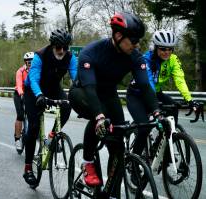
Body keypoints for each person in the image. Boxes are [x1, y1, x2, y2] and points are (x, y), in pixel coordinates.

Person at [68, 12, 160, 198]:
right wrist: (99, 117)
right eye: (133, 40)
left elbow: (144, 86)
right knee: (99, 118)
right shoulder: (91, 52)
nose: (137, 45)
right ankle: (87, 162)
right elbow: (90, 89)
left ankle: (112, 191)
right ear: (118, 36)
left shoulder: (134, 56)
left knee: (118, 146)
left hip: (109, 94)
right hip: (84, 92)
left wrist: (157, 113)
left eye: (138, 41)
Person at [126, 29, 200, 158]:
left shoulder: (173, 60)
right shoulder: (145, 60)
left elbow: (180, 79)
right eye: (163, 49)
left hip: (157, 92)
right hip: (137, 95)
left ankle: (165, 145)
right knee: (144, 129)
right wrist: (156, 108)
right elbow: (148, 85)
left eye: (170, 49)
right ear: (155, 48)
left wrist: (190, 100)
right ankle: (134, 162)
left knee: (173, 108)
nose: (167, 52)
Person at [23, 29, 77, 185]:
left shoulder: (70, 57)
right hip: (34, 90)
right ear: (53, 45)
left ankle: (51, 136)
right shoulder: (40, 55)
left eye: (65, 47)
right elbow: (33, 79)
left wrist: (83, 96)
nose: (62, 51)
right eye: (59, 47)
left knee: (67, 107)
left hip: (53, 88)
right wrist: (39, 95)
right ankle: (27, 168)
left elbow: (77, 79)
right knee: (33, 126)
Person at [13, 52, 34, 151]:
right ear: (25, 62)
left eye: (33, 62)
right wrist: (21, 94)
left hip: (31, 94)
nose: (31, 64)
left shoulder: (38, 70)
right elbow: (19, 85)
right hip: (19, 93)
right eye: (29, 62)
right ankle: (17, 138)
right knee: (20, 115)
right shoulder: (20, 71)